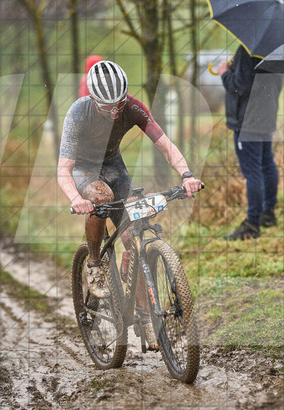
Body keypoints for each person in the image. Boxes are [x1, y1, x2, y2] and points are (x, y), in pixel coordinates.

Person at [57, 60, 203, 348]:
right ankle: (95, 263)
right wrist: (76, 198)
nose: (114, 112)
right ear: (93, 99)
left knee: (134, 233)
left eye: (119, 105)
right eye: (107, 106)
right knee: (101, 198)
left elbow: (165, 145)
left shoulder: (133, 107)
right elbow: (64, 169)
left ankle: (146, 317)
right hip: (85, 169)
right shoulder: (78, 113)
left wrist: (186, 175)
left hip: (114, 166)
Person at [217, 45, 283, 240]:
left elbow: (241, 85)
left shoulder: (248, 50)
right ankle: (268, 213)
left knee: (253, 172)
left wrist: (225, 74)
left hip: (248, 121)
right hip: (266, 117)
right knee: (267, 164)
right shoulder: (276, 48)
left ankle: (252, 224)